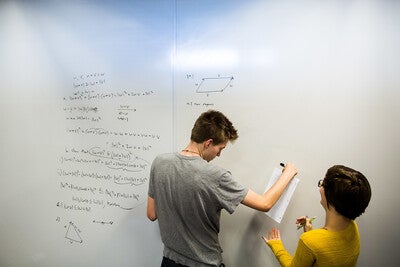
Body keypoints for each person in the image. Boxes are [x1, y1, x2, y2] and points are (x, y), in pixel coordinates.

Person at [147, 109, 298, 267]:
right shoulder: (215, 176)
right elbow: (264, 203)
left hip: (169, 261)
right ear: (208, 143)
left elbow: (151, 214)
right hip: (203, 263)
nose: (218, 155)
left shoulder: (160, 162)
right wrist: (287, 174)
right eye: (220, 149)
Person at [263, 165, 372, 267]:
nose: (320, 187)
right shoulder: (353, 228)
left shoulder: (308, 241)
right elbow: (328, 254)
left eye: (323, 183)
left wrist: (276, 245)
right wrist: (310, 231)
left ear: (331, 199)